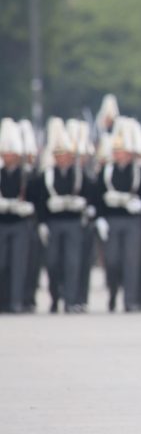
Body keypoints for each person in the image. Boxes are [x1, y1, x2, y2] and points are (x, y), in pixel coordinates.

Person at [33, 119, 92, 314]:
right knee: (52, 263)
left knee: (72, 263)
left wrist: (84, 207)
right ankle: (55, 296)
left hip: (74, 222)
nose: (62, 159)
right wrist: (42, 222)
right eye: (58, 155)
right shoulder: (46, 176)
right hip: (54, 222)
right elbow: (39, 201)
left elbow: (90, 196)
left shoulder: (80, 175)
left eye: (65, 155)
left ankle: (71, 299)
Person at [91, 118, 141, 312]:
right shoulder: (106, 172)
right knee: (112, 260)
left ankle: (130, 300)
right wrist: (99, 218)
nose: (119, 155)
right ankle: (113, 293)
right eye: (116, 152)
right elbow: (97, 197)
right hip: (112, 219)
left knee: (132, 261)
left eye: (122, 152)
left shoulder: (139, 171)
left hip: (133, 220)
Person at [0, 118, 34, 313]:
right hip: (2, 221)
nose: (8, 156)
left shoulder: (26, 174)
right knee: (2, 264)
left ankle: (17, 301)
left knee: (19, 265)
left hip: (20, 222)